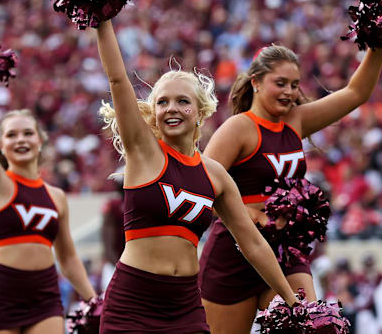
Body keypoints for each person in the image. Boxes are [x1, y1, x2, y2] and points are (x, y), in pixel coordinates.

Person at [94, 19, 297, 333]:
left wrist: (294, 302)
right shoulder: (144, 153)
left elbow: (252, 243)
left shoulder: (215, 175)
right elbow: (118, 80)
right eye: (162, 102)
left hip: (186, 305)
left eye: (182, 101)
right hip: (133, 301)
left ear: (201, 111)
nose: (171, 109)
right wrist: (102, 20)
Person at [199, 44, 382, 334]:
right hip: (234, 255)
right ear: (256, 82)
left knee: (311, 327)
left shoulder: (295, 121)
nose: (289, 92)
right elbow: (199, 187)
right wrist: (249, 213)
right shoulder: (237, 128)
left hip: (287, 250)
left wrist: (378, 45)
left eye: (295, 85)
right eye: (280, 83)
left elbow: (355, 93)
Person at [0, 102, 97, 334]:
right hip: (2, 293)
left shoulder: (57, 196)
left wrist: (93, 299)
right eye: (12, 135)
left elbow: (69, 258)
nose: (21, 139)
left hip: (45, 295)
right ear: (1, 145)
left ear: (40, 141)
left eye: (28, 133)